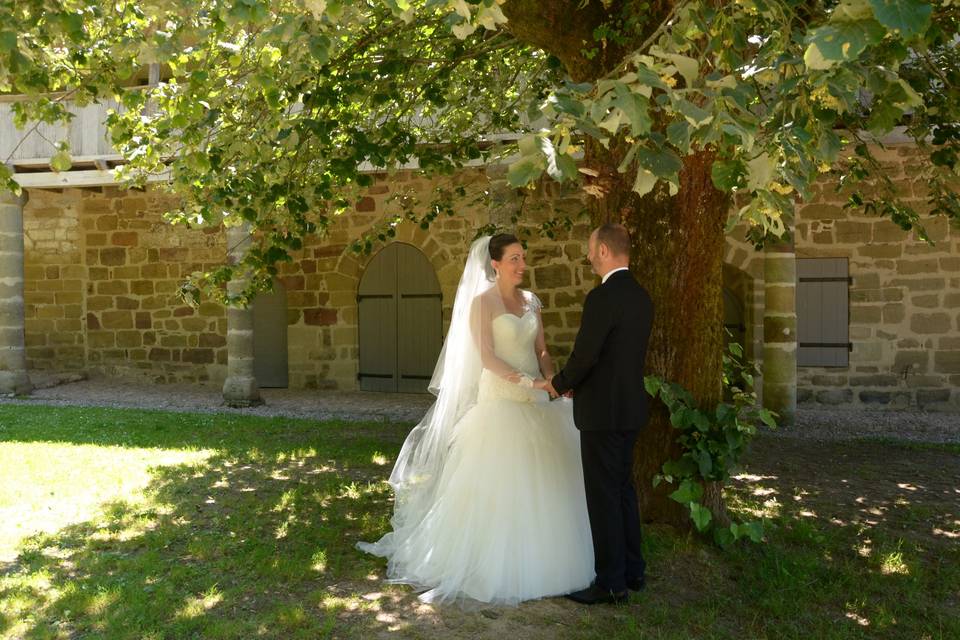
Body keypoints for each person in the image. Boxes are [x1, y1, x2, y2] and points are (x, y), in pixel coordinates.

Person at [357, 233, 594, 605]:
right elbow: (487, 357)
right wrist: (527, 381)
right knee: (499, 482)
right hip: (501, 399)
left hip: (538, 399)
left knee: (545, 478)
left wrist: (552, 379)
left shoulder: (532, 301)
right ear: (495, 263)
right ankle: (491, 561)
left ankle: (544, 556)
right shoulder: (482, 303)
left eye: (523, 258)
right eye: (514, 258)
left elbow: (542, 348)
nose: (521, 265)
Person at [538, 223, 654, 605]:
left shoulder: (601, 298)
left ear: (604, 250)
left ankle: (610, 583)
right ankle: (633, 572)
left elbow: (586, 355)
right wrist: (578, 380)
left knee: (603, 497)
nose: (588, 257)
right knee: (623, 491)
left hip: (603, 414)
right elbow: (615, 358)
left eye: (590, 250)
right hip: (631, 409)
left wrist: (560, 382)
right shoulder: (641, 296)